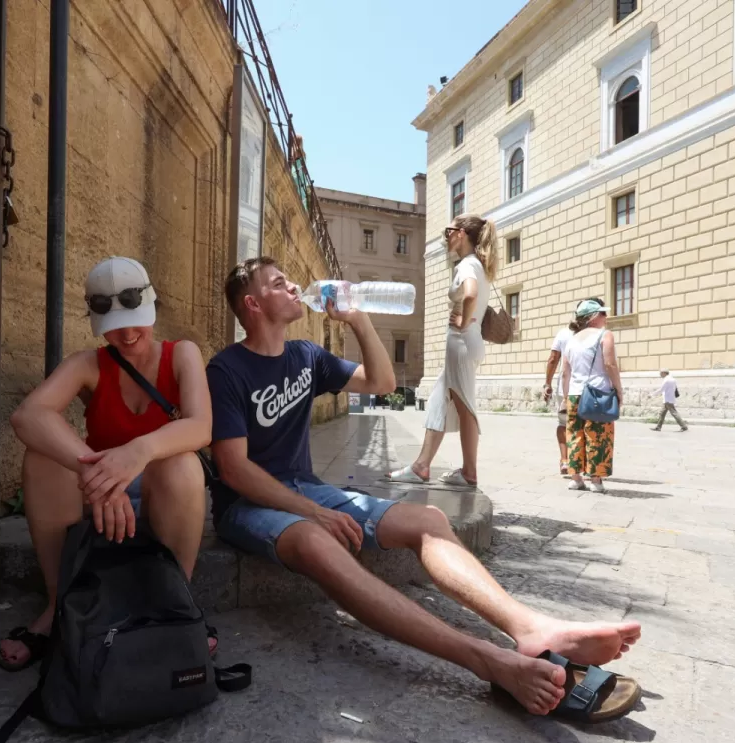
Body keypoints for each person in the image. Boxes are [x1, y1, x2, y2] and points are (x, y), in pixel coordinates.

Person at [206, 256, 641, 716]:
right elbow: (233, 470)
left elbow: (382, 381)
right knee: (316, 540)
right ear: (253, 304)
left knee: (428, 518)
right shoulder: (226, 370)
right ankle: (488, 660)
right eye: (279, 284)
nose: (294, 286)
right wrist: (312, 512)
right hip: (248, 506)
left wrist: (357, 317)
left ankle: (531, 626)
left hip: (304, 487)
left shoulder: (305, 357)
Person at [0, 257, 213, 671]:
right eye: (114, 325)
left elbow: (201, 426)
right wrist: (94, 474)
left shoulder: (182, 354)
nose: (128, 334)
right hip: (100, 498)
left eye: (136, 320)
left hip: (161, 494)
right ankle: (59, 603)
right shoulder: (90, 364)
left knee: (182, 462)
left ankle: (176, 601)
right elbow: (29, 415)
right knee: (43, 457)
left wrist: (137, 453)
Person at [386, 214, 496, 487]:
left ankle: (469, 471)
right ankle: (422, 466)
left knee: (465, 405)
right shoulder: (476, 265)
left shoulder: (467, 265)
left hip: (461, 341)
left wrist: (461, 319)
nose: (445, 236)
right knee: (438, 401)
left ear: (461, 234)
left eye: (449, 231)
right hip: (467, 341)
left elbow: (470, 294)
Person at [561, 299, 624, 494]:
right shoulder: (605, 335)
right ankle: (596, 481)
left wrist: (565, 397)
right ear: (593, 317)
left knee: (574, 435)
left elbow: (565, 372)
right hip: (598, 392)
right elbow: (610, 365)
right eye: (603, 314)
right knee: (598, 436)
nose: (606, 317)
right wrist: (619, 390)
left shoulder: (571, 340)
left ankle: (576, 478)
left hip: (574, 394)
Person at [543, 319, 575, 477]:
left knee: (564, 423)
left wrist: (547, 384)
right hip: (589, 388)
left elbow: (553, 359)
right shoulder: (597, 334)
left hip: (566, 386)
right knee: (585, 424)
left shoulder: (564, 334)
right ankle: (583, 463)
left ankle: (565, 460)